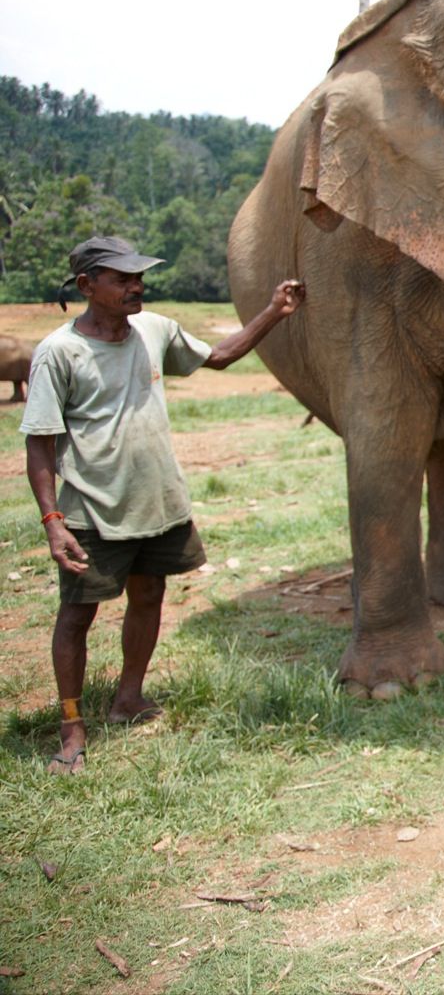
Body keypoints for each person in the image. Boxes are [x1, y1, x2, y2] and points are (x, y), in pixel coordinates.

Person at [24, 237, 306, 774]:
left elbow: (218, 357)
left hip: (157, 503)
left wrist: (275, 310)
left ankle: (128, 697)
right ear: (87, 286)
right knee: (78, 615)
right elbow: (39, 441)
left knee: (149, 595)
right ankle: (71, 726)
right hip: (91, 510)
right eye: (122, 278)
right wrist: (52, 521)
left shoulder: (154, 329)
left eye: (139, 277)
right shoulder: (60, 352)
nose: (137, 286)